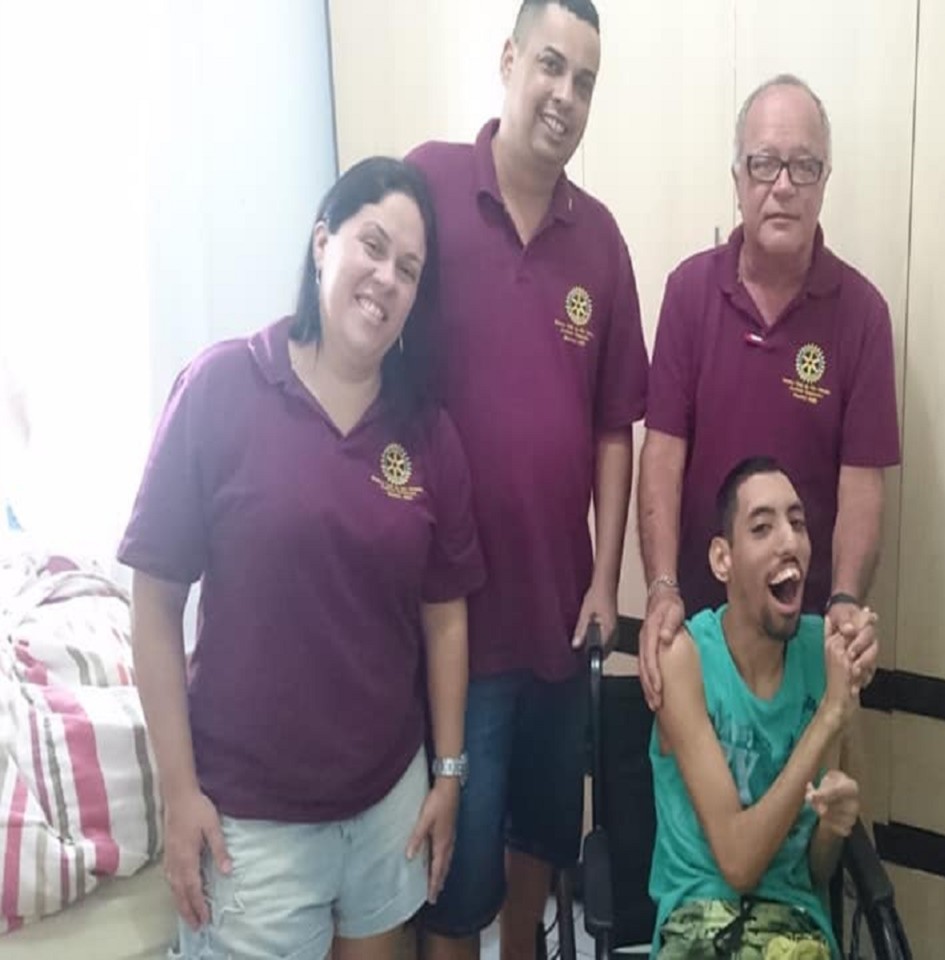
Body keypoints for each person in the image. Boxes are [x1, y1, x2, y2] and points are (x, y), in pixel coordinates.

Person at [118, 157, 485, 960]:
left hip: (386, 806)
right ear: (323, 242)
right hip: (252, 828)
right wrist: (180, 794)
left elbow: (445, 614)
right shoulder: (222, 388)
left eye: (409, 270)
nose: (386, 279)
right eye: (372, 246)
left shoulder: (426, 432)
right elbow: (154, 603)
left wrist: (449, 774)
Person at [403, 2, 648, 957]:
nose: (565, 95)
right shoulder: (429, 185)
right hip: (450, 619)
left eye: (585, 80)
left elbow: (614, 426)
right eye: (551, 65)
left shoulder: (602, 241)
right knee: (455, 874)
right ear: (509, 61)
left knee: (541, 844)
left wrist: (605, 581)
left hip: (557, 614)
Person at [637, 75, 899, 714]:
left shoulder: (863, 313)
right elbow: (662, 455)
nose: (783, 185)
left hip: (805, 645)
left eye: (803, 166)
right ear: (738, 177)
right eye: (764, 164)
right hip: (698, 642)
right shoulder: (689, 293)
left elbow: (862, 484)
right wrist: (662, 587)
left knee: (812, 782)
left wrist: (844, 599)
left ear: (824, 181)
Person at [649, 456, 877, 959]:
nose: (789, 541)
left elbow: (814, 869)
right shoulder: (685, 657)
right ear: (722, 559)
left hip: (796, 926)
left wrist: (834, 825)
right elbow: (738, 863)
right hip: (699, 921)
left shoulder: (825, 654)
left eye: (797, 523)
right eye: (762, 527)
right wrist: (829, 717)